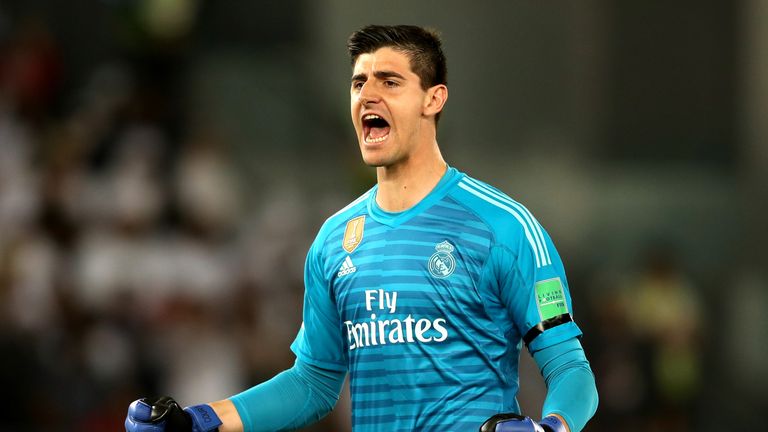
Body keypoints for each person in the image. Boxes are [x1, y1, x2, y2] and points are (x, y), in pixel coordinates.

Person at [125, 24, 599, 432]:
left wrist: (549, 428)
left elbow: (570, 369)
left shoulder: (504, 226)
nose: (367, 95)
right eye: (358, 83)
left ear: (433, 99)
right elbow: (312, 383)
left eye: (389, 82)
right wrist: (199, 420)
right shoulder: (334, 240)